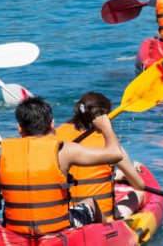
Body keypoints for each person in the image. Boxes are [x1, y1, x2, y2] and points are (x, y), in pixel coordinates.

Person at [0, 97, 125, 236]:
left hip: (16, 231)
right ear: (51, 125)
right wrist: (106, 127)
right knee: (90, 203)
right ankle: (109, 235)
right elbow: (116, 154)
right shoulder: (64, 150)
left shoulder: (2, 159)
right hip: (56, 230)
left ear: (19, 128)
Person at [55, 92, 146, 221]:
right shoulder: (112, 148)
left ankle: (117, 175)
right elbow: (139, 185)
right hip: (101, 218)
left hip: (69, 215)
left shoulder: (57, 139)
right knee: (139, 194)